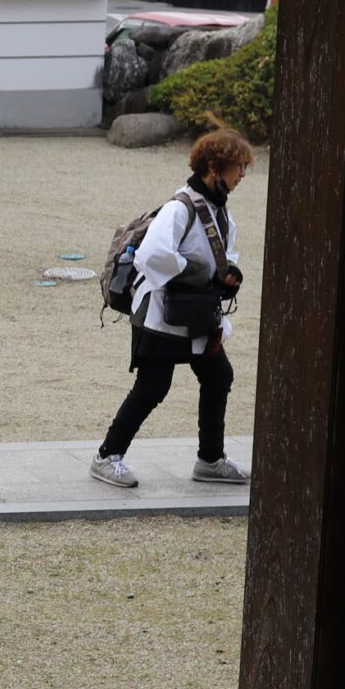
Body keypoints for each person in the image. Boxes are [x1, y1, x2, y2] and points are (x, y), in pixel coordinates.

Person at [91, 129, 256, 490]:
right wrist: (204, 274)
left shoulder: (218, 210)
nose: (242, 174)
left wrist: (228, 274)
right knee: (153, 386)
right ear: (213, 168)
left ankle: (210, 460)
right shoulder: (180, 208)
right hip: (160, 314)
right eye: (238, 167)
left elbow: (221, 258)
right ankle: (107, 456)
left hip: (196, 314)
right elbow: (153, 256)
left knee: (219, 376)